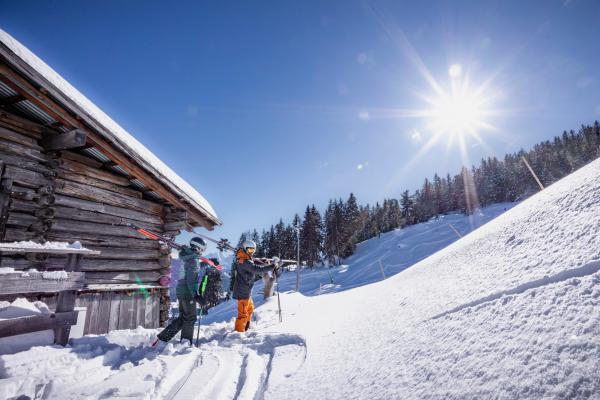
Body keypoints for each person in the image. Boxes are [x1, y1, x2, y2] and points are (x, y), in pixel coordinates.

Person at [152, 237, 209, 347]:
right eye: (203, 249)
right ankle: (185, 344)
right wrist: (196, 295)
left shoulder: (186, 256)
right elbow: (191, 279)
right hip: (188, 292)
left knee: (183, 317)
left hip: (181, 290)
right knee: (190, 317)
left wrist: (203, 264)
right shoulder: (193, 260)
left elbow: (190, 269)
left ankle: (163, 338)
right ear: (200, 248)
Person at [231, 240, 278, 332]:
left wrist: (263, 261)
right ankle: (238, 332)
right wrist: (272, 266)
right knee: (243, 314)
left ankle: (246, 327)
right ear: (245, 249)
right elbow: (256, 269)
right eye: (249, 250)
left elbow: (254, 262)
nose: (251, 252)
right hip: (242, 292)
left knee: (250, 309)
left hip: (246, 291)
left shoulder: (245, 258)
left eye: (252, 250)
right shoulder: (245, 261)